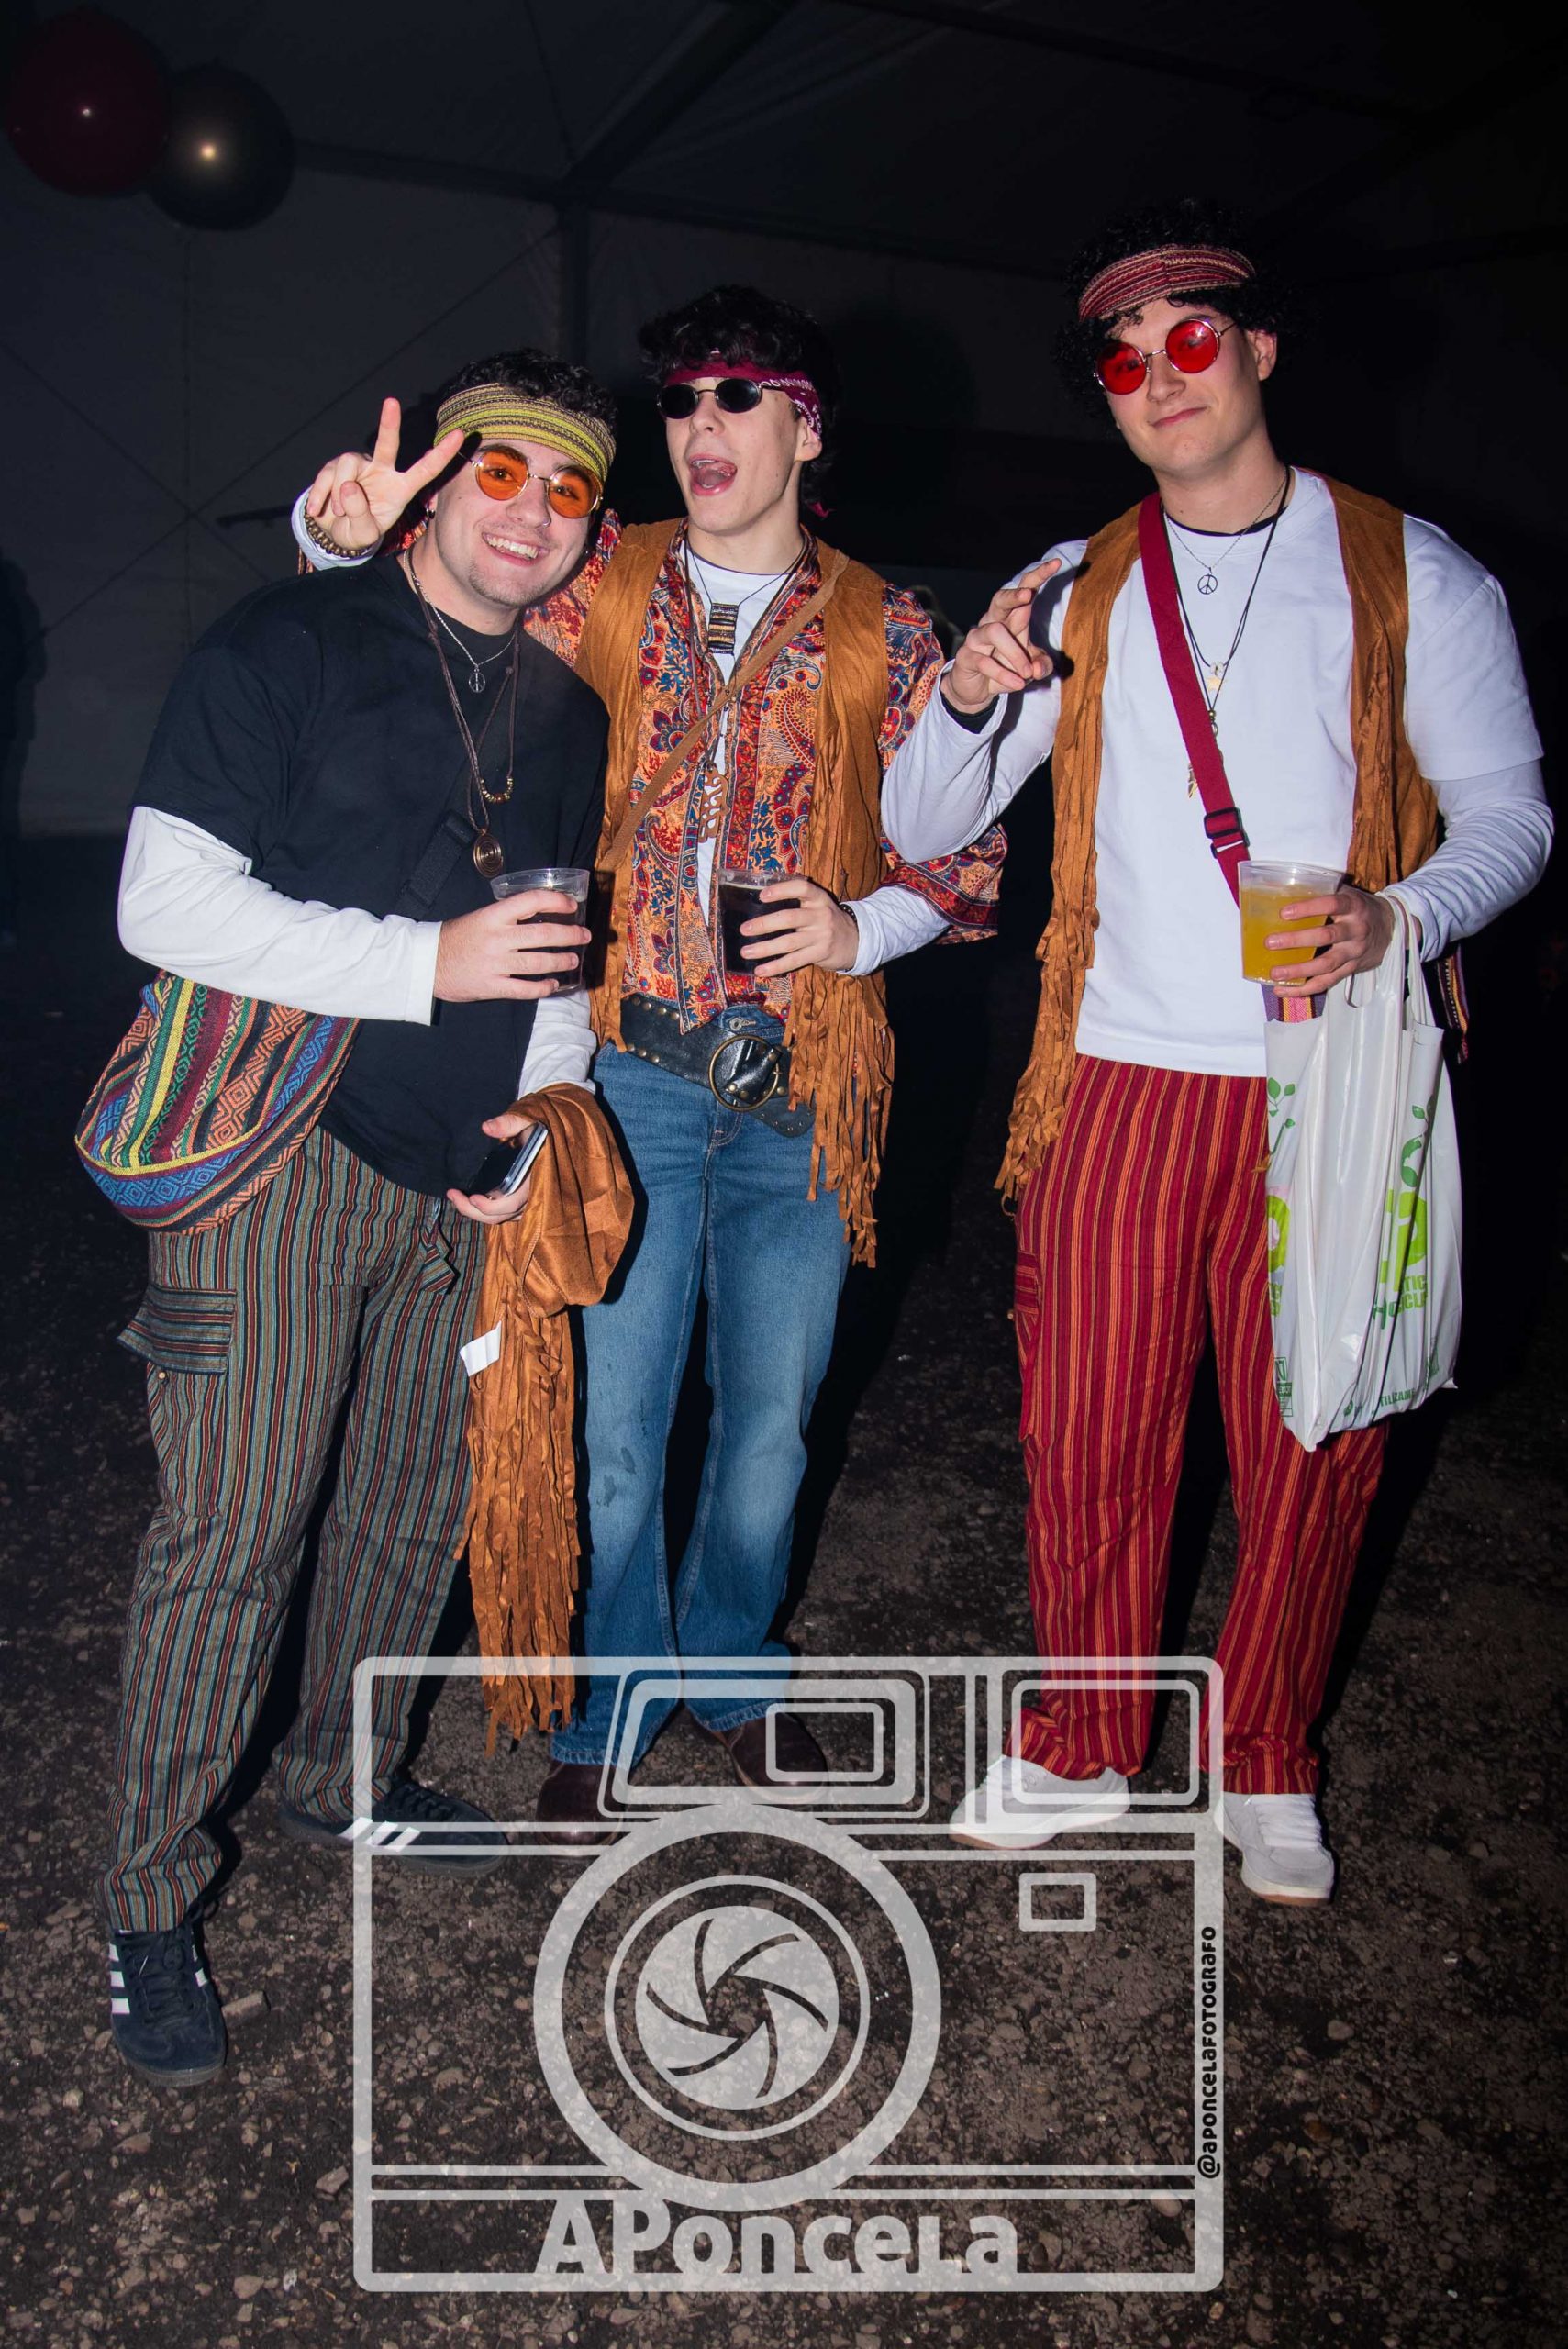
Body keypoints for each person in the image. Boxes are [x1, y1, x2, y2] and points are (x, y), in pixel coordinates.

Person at [880, 198, 1551, 1901]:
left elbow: (1510, 816)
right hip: (1114, 1071)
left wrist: (1399, 916)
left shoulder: (1412, 573)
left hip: (1333, 1075)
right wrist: (965, 694)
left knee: (1317, 1431)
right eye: (1121, 360)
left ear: (1257, 350)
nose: (1159, 378)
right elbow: (922, 821)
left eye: (1190, 339)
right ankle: (1085, 1741)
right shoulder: (1074, 582)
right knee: (1087, 1430)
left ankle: (1266, 1756)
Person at [293, 284, 1006, 1822]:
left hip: (802, 1089)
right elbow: (420, 634)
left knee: (768, 1433)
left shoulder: (888, 626)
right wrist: (334, 545)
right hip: (623, 1075)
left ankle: (734, 1675)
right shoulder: (597, 581)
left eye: (735, 396)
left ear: (805, 428)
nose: (697, 427)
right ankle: (609, 1705)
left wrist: (858, 928)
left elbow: (965, 865)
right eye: (679, 400)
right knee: (613, 1432)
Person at [104, 350, 613, 2084]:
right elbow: (163, 904)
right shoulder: (286, 639)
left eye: (567, 488)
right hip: (275, 1149)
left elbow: (555, 949)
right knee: (235, 1535)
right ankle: (148, 1906)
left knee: (407, 1510)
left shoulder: (566, 713)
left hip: (454, 1173)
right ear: (434, 483)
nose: (531, 512)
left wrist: (543, 1107)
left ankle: (340, 1782)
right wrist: (426, 963)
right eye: (500, 471)